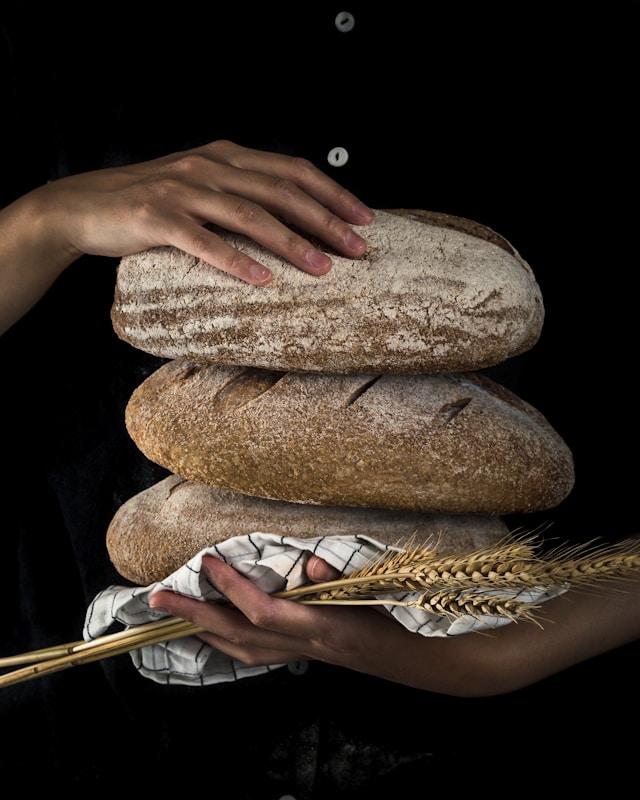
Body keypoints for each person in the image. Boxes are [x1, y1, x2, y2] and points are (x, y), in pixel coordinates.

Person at [1, 4, 638, 795]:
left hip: (516, 731)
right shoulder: (48, 32)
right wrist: (40, 225)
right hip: (97, 728)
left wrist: (496, 658)